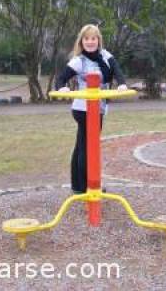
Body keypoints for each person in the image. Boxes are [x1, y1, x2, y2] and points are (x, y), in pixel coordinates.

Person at [55, 24, 128, 194]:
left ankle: (78, 185)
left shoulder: (105, 55)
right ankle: (89, 186)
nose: (90, 42)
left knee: (82, 144)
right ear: (82, 41)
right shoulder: (79, 60)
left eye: (93, 38)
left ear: (98, 40)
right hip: (83, 109)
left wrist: (122, 84)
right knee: (88, 147)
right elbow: (61, 79)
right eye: (86, 38)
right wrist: (62, 88)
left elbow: (117, 71)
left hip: (99, 106)